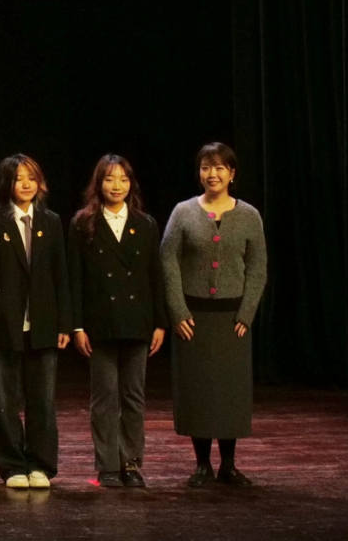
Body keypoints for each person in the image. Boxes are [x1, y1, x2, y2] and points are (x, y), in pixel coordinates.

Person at [160, 141, 269, 487]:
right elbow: (168, 261)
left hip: (231, 319)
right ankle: (202, 465)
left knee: (229, 393)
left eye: (220, 167)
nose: (213, 174)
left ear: (232, 173)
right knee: (199, 392)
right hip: (194, 319)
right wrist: (178, 311)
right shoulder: (183, 213)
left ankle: (229, 465)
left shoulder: (249, 215)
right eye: (206, 167)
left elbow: (258, 268)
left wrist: (246, 313)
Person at [68, 153, 168, 488]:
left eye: (123, 179)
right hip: (99, 323)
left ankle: (132, 463)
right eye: (110, 179)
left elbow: (155, 276)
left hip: (137, 321)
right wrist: (77, 325)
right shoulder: (83, 223)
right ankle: (108, 465)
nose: (117, 186)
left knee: (133, 396)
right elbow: (75, 278)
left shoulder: (146, 224)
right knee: (104, 397)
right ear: (98, 183)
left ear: (131, 184)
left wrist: (159, 323)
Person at [0, 154, 73, 489]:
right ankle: (12, 465)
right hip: (4, 322)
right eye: (19, 178)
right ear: (8, 183)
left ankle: (41, 464)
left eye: (32, 177)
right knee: (4, 399)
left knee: (42, 399)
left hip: (43, 322)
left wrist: (64, 323)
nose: (26, 184)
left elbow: (61, 275)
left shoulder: (51, 221)